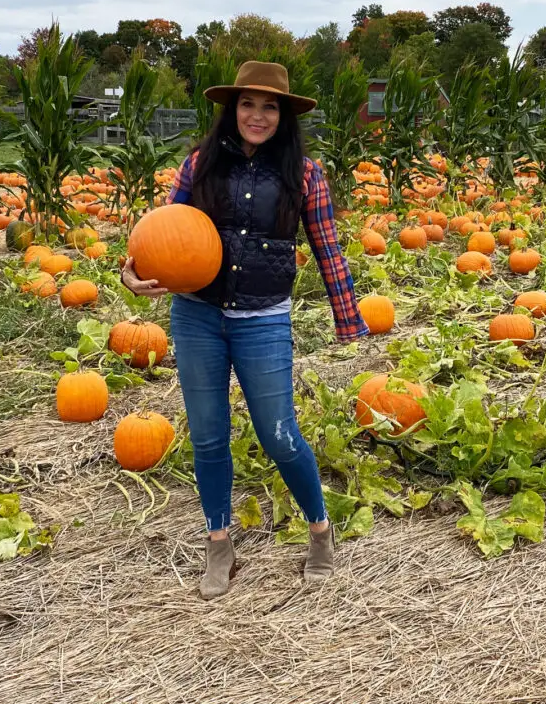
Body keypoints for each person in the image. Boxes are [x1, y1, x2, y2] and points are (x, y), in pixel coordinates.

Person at [122, 61, 369, 599]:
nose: (258, 115)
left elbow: (327, 246)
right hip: (197, 316)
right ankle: (219, 546)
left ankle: (320, 530)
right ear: (231, 110)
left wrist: (348, 317)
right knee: (208, 438)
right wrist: (132, 272)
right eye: (248, 104)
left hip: (263, 318)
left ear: (284, 115)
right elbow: (164, 233)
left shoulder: (305, 174)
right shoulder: (198, 165)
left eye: (270, 106)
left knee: (279, 435)